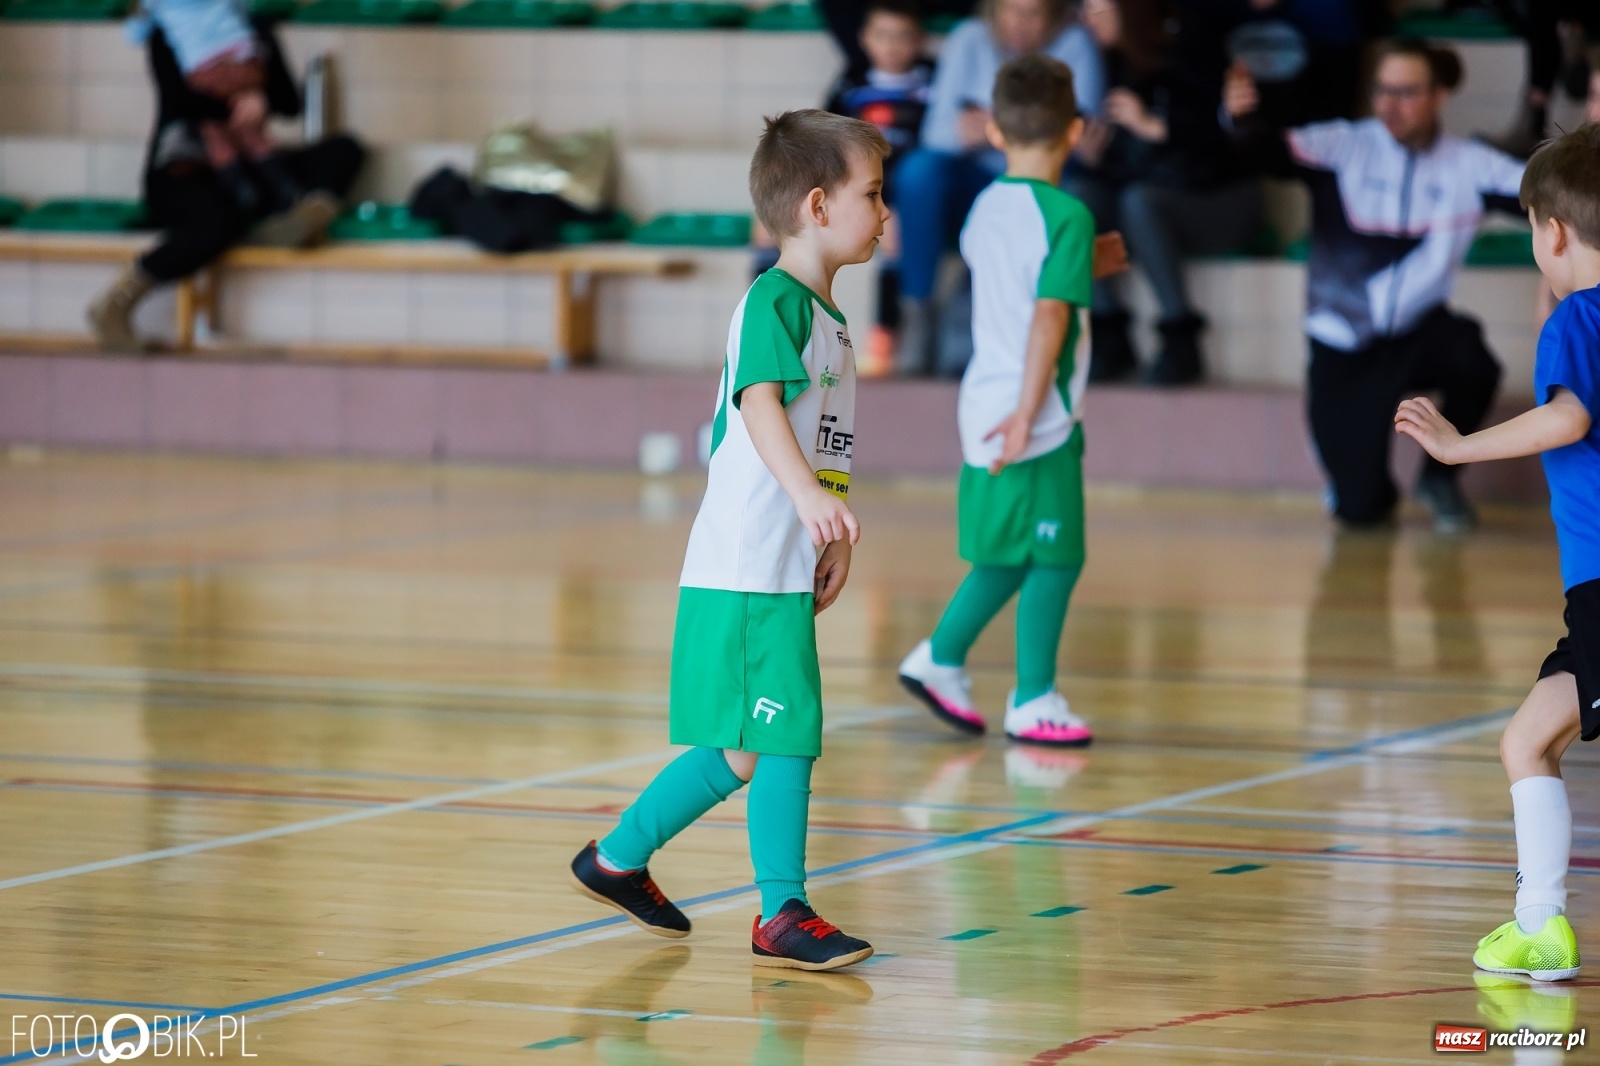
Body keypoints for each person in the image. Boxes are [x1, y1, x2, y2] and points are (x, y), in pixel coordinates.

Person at [568, 110, 891, 972]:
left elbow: (823, 441)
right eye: (873, 194)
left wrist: (833, 530)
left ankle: (617, 859)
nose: (886, 210)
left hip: (778, 561)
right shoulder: (773, 300)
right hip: (749, 562)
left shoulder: (829, 319)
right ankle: (782, 913)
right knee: (786, 736)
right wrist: (810, 503)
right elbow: (756, 407)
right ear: (819, 206)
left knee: (748, 746)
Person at [1393, 123, 1600, 983]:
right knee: (1526, 742)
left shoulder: (1578, 317)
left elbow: (1568, 417)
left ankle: (1541, 928)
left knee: (1526, 745)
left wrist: (1457, 448)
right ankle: (1537, 928)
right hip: (1589, 601)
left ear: (1552, 233)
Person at [1225, 39, 1524, 532]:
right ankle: (1357, 487)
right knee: (1361, 511)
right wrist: (1240, 120)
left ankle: (1439, 479)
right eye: (1382, 91)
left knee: (1474, 362)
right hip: (1343, 348)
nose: (1390, 105)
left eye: (1406, 92)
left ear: (1440, 95)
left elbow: (1548, 192)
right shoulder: (1342, 145)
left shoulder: (1470, 164)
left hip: (1418, 333)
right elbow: (1263, 150)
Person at [897, 55, 1098, 746]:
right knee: (1056, 556)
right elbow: (1048, 317)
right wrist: (1027, 414)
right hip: (1032, 415)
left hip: (985, 397)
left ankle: (940, 659)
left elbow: (1019, 276)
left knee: (1009, 554)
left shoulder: (985, 206)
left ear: (993, 131)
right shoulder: (1068, 215)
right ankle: (1032, 697)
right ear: (1075, 130)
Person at [87, 15, 364, 353]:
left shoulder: (255, 28)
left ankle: (295, 223)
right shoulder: (170, 30)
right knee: (216, 223)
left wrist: (263, 100)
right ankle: (116, 303)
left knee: (344, 150)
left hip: (257, 165)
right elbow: (180, 102)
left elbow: (290, 103)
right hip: (186, 168)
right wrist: (235, 102)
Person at [893, 0, 1104, 375]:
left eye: (1034, 13)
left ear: (1053, 15)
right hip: (973, 177)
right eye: (1012, 11)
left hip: (1041, 180)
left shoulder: (1074, 42)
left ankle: (1069, 331)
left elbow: (1082, 137)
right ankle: (918, 313)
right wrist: (997, 131)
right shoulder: (968, 38)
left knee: (1073, 194)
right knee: (917, 174)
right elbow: (936, 134)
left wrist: (998, 127)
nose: (1021, 23)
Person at [824, 0, 936, 370]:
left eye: (902, 37)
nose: (892, 46)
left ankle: (886, 338)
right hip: (857, 184)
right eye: (882, 36)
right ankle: (763, 324)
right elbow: (825, 139)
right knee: (771, 224)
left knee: (893, 234)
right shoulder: (850, 84)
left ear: (920, 41)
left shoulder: (932, 84)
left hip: (904, 191)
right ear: (864, 39)